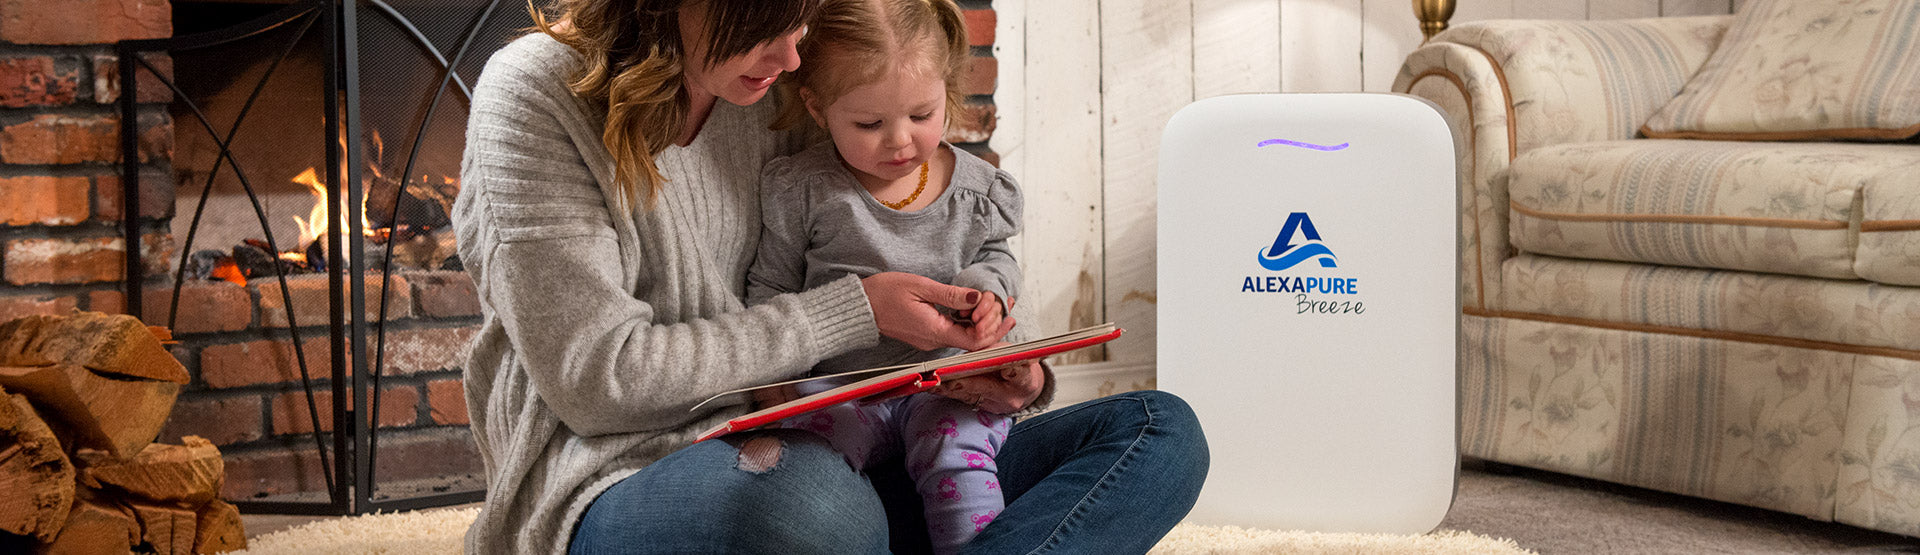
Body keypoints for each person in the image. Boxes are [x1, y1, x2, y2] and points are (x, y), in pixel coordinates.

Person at [453, 0, 1210, 552]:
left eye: (802, 22)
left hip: (858, 440)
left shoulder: (768, 80)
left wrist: (1008, 369)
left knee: (1159, 432)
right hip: (631, 472)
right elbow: (598, 382)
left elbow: (917, 243)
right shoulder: (535, 94)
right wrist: (853, 312)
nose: (791, 58)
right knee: (818, 511)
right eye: (766, 24)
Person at [742, 1, 1038, 551]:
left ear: (948, 95)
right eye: (869, 124)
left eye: (921, 116)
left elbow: (999, 259)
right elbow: (772, 288)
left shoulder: (977, 191)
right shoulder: (803, 189)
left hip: (948, 385)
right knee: (807, 459)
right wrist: (771, 384)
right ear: (816, 106)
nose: (899, 141)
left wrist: (989, 290)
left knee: (955, 453)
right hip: (841, 388)